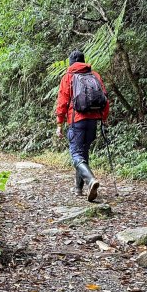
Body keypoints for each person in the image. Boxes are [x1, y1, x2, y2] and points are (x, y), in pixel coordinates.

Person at [55, 50, 109, 201]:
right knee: (83, 152)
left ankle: (91, 180)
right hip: (93, 120)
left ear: (71, 63)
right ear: (84, 61)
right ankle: (79, 189)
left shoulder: (68, 77)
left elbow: (62, 102)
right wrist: (104, 118)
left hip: (76, 120)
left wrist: (59, 123)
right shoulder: (95, 75)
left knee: (76, 154)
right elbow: (105, 98)